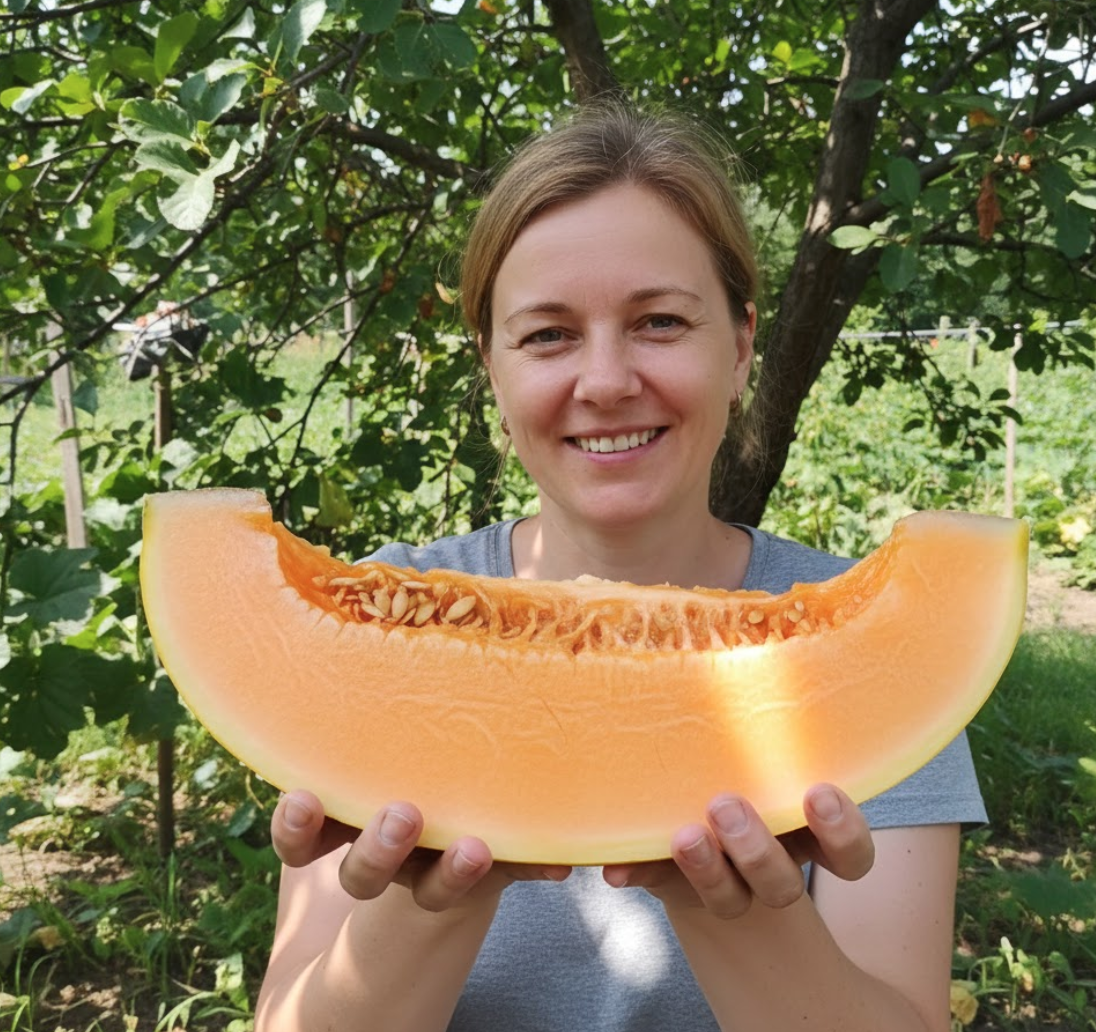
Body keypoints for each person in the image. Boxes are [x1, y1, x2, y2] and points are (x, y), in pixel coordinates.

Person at [255, 102, 986, 1032]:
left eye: (660, 322)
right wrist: (432, 894)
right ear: (492, 369)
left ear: (741, 347)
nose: (604, 382)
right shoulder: (370, 639)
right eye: (547, 335)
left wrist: (734, 906)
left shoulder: (891, 660)